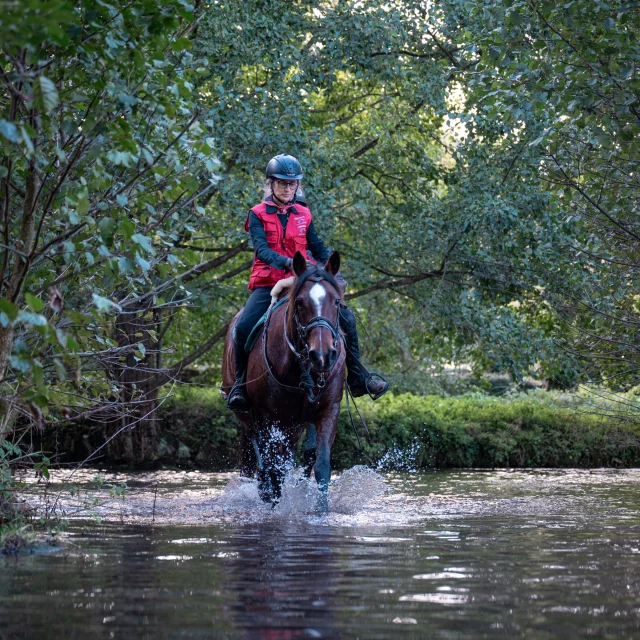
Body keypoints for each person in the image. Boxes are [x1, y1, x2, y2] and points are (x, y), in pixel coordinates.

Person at [227, 154, 389, 412]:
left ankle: (359, 378)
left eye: (292, 184)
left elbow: (318, 247)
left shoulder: (304, 213)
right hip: (268, 282)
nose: (287, 188)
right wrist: (290, 264)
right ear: (271, 184)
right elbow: (262, 250)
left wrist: (332, 273)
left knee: (347, 319)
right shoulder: (257, 214)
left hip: (302, 281)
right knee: (244, 325)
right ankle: (238, 385)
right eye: (282, 183)